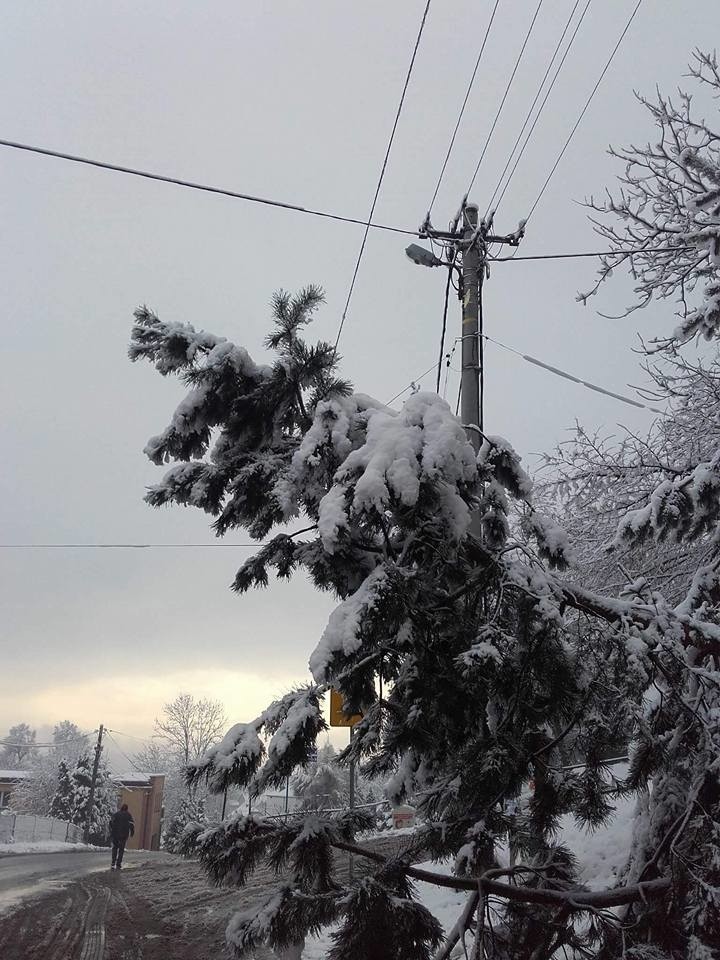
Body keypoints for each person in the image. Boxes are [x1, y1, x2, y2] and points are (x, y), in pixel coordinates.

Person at [109, 803, 135, 870]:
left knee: (115, 848)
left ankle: (113, 862)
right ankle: (118, 863)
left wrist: (112, 829)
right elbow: (132, 825)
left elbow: (111, 822)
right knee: (121, 849)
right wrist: (132, 832)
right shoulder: (129, 815)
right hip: (124, 835)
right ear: (127, 809)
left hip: (115, 834)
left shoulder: (116, 814)